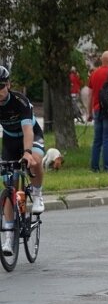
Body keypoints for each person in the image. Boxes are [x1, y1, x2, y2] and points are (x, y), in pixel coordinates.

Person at [0, 66, 46, 256]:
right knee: (10, 187)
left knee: (34, 160)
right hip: (10, 141)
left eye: (1, 86)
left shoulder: (20, 101)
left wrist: (27, 152)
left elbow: (28, 131)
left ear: (8, 85)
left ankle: (36, 193)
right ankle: (9, 239)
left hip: (31, 136)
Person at [86, 50, 108, 173]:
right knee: (107, 139)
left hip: (97, 109)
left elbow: (90, 95)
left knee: (97, 140)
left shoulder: (94, 73)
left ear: (101, 60)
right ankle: (107, 167)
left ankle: (94, 167)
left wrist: (89, 112)